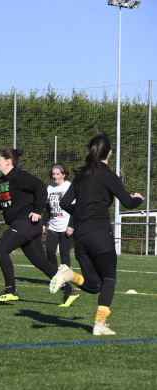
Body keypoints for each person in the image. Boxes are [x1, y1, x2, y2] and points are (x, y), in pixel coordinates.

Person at [49, 134, 144, 336]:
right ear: (110, 152)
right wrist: (138, 199)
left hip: (80, 237)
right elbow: (128, 202)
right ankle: (99, 326)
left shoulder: (81, 175)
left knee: (94, 285)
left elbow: (65, 204)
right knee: (109, 279)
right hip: (100, 233)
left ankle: (68, 275)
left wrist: (82, 215)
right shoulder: (109, 175)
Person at [0, 148, 77, 306]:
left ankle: (11, 290)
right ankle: (69, 291)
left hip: (26, 222)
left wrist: (37, 211)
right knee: (41, 263)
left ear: (8, 161)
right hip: (22, 225)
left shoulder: (20, 176)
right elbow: (1, 202)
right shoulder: (1, 182)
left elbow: (40, 187)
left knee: (1, 249)